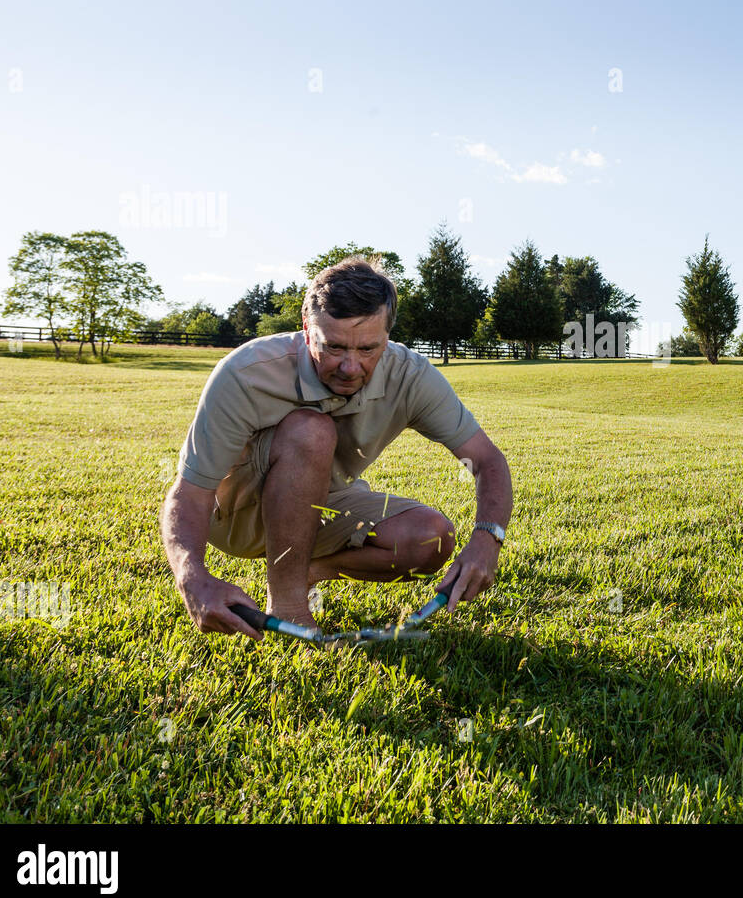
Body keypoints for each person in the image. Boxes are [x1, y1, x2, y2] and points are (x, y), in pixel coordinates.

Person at [160, 256, 512, 640]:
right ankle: (290, 606)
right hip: (237, 518)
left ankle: (302, 569)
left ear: (388, 336)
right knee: (312, 430)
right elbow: (189, 493)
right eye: (335, 347)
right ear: (307, 331)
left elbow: (485, 459)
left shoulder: (409, 375)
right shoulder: (245, 373)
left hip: (321, 502)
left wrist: (487, 538)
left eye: (368, 349)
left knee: (431, 538)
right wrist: (191, 577)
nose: (350, 366)